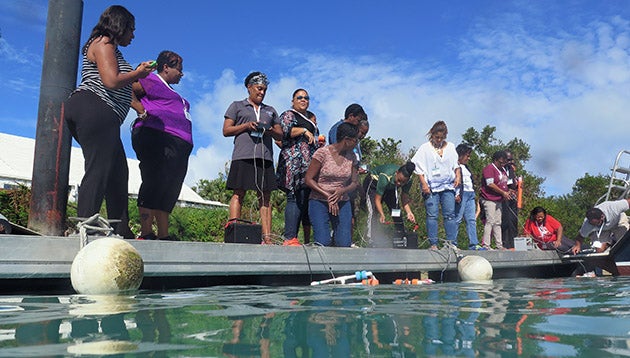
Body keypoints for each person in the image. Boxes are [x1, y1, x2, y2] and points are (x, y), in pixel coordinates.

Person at [64, 5, 155, 239]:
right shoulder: (104, 43)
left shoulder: (111, 48)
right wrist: (138, 73)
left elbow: (124, 87)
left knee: (118, 172)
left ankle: (121, 229)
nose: (133, 35)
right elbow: (112, 81)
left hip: (100, 112)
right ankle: (86, 226)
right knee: (99, 168)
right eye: (131, 30)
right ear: (120, 26)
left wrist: (141, 103)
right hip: (94, 107)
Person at [130, 50, 193, 241]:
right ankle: (147, 231)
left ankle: (163, 234)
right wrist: (140, 109)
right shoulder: (150, 79)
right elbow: (127, 87)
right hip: (156, 135)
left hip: (179, 143)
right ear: (166, 67)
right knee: (154, 179)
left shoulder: (173, 92)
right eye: (179, 69)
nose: (181, 74)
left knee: (170, 185)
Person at [223, 72, 280, 243]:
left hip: (265, 157)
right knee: (238, 192)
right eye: (259, 88)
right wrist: (247, 125)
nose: (262, 92)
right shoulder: (237, 106)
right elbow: (226, 130)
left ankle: (267, 238)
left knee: (265, 196)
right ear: (249, 87)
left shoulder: (270, 110)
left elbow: (280, 133)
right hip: (243, 154)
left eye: (265, 90)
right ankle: (233, 233)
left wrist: (267, 129)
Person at [275, 89, 320, 246]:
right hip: (293, 162)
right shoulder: (289, 114)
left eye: (306, 97)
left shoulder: (310, 118)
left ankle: (300, 238)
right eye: (299, 97)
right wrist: (303, 130)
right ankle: (289, 237)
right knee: (293, 196)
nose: (303, 100)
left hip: (308, 164)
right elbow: (284, 131)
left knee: (304, 199)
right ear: (293, 101)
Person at [305, 122, 359, 247]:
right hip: (319, 200)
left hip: (342, 201)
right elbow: (308, 179)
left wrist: (342, 191)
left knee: (344, 242)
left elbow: (355, 182)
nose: (357, 144)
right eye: (355, 140)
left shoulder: (352, 157)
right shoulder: (322, 153)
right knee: (323, 241)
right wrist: (327, 195)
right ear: (346, 140)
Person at [411, 121, 461, 250]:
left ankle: (451, 243)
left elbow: (456, 165)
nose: (438, 140)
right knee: (432, 215)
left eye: (441, 138)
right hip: (431, 187)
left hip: (447, 186)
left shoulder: (450, 147)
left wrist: (458, 176)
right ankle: (433, 243)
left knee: (450, 214)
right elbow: (418, 168)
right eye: (436, 137)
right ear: (432, 135)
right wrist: (424, 184)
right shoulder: (425, 148)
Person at [363, 162, 417, 247]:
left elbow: (404, 197)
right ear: (396, 173)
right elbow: (377, 199)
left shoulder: (408, 181)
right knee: (374, 211)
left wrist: (409, 212)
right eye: (399, 180)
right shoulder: (385, 176)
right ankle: (371, 239)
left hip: (391, 187)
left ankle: (401, 237)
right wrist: (382, 214)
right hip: (374, 184)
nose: (400, 184)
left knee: (396, 211)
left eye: (403, 183)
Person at [479, 150, 512, 250]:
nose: (502, 164)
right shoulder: (489, 168)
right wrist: (503, 192)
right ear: (495, 160)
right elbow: (490, 184)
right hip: (489, 199)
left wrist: (509, 191)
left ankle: (499, 245)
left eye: (504, 163)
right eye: (501, 162)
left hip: (499, 200)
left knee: (498, 222)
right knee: (490, 221)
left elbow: (506, 183)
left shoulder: (503, 170)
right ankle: (486, 245)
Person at [454, 144, 483, 250]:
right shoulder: (454, 166)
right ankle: (453, 242)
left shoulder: (466, 168)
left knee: (471, 220)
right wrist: (455, 193)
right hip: (461, 194)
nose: (469, 158)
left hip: (470, 194)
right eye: (467, 155)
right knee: (457, 219)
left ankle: (474, 243)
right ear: (461, 155)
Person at [501, 150, 519, 249]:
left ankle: (513, 244)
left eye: (511, 159)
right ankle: (505, 244)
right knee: (505, 221)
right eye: (508, 160)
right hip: (504, 198)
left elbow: (513, 183)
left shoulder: (511, 170)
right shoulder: (500, 169)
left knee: (513, 221)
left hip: (513, 198)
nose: (510, 162)